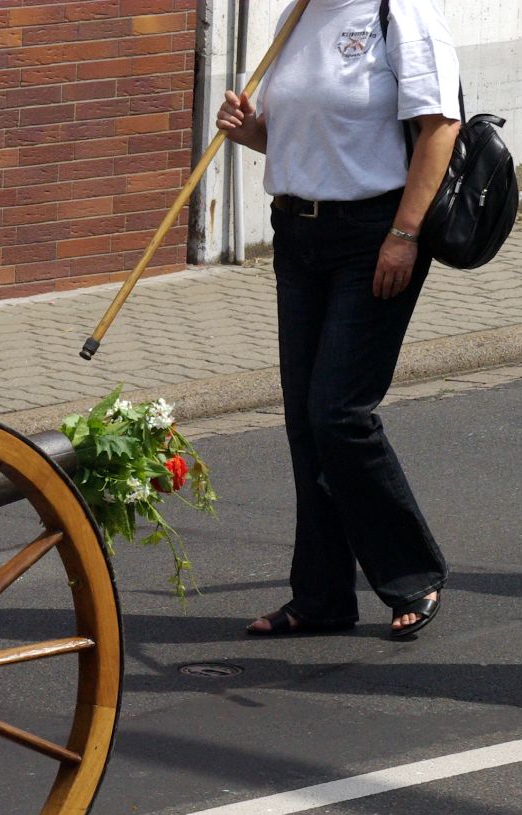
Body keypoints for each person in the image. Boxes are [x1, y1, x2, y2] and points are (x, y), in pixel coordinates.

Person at [218, 0, 462, 640]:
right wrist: (251, 131)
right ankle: (322, 596)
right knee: (305, 417)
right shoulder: (295, 17)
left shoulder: (399, 13)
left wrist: (405, 234)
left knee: (339, 412)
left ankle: (413, 572)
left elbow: (440, 128)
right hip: (298, 234)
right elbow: (302, 135)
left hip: (374, 233)